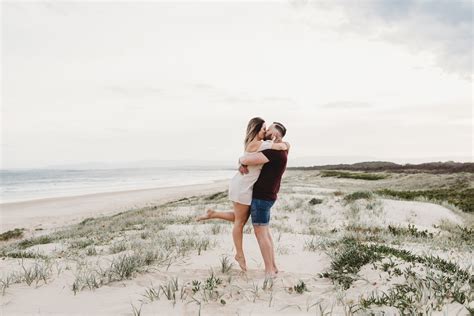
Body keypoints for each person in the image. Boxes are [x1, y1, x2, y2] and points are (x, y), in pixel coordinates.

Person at [196, 117, 288, 271]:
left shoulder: (265, 146)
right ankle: (239, 254)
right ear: (256, 130)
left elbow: (274, 149)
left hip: (246, 186)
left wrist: (282, 143)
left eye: (268, 128)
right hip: (242, 186)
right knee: (240, 221)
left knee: (241, 218)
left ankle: (213, 213)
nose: (265, 131)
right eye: (263, 128)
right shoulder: (258, 144)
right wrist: (242, 161)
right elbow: (250, 156)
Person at [238, 122, 289, 278]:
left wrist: (240, 160)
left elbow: (247, 159)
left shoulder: (272, 152)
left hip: (261, 197)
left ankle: (269, 271)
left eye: (270, 128)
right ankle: (273, 267)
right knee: (265, 234)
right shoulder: (283, 150)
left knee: (261, 235)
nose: (266, 130)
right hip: (268, 196)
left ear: (275, 134)